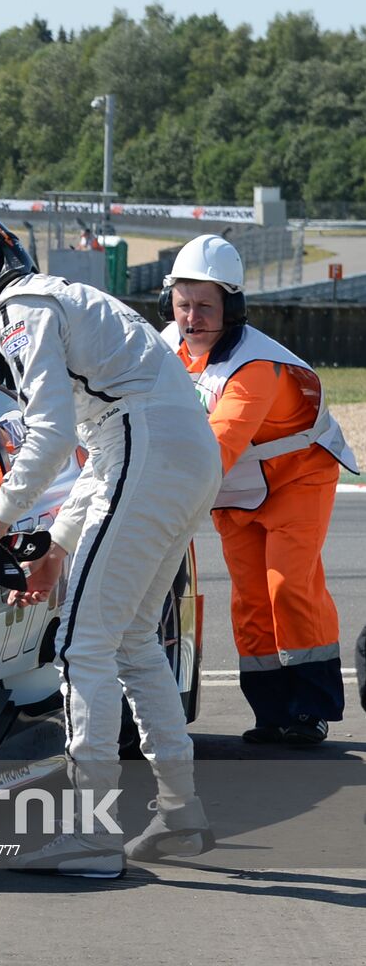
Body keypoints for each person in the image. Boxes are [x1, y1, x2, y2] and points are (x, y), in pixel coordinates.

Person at [0, 209, 222, 878]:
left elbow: (46, 436)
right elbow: (100, 450)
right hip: (173, 453)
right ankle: (178, 809)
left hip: (147, 448)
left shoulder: (21, 303)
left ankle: (91, 837)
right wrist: (58, 543)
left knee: (80, 643)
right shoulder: (55, 300)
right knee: (126, 640)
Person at [159, 234, 358, 745]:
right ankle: (272, 712)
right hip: (237, 491)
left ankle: (310, 708)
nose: (192, 317)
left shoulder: (254, 367)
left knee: (287, 585)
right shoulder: (162, 351)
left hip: (298, 478)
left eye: (206, 306)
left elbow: (217, 446)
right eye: (183, 304)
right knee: (250, 599)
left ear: (233, 307)